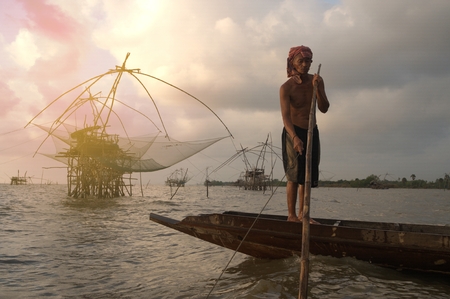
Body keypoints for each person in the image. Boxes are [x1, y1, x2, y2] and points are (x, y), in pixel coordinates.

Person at [280, 45, 330, 222]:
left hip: (311, 131)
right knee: (294, 175)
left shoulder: (317, 80)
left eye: (307, 61)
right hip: (293, 131)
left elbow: (324, 108)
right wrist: (294, 138)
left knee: (307, 175)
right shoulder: (286, 87)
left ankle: (304, 214)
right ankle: (292, 215)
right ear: (292, 62)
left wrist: (318, 89)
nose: (304, 64)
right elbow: (285, 117)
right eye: (300, 61)